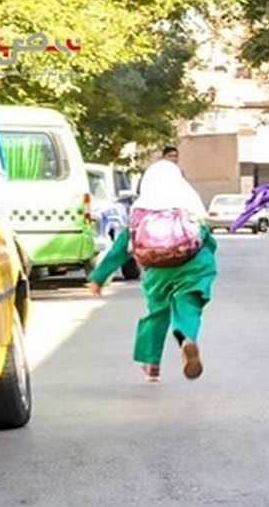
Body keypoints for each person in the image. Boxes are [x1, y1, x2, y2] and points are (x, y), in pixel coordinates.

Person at [88, 160, 218, 382]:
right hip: (192, 266)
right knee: (188, 306)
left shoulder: (141, 209)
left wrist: (99, 277)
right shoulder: (189, 204)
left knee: (156, 313)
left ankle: (151, 365)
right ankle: (186, 339)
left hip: (157, 270)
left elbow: (123, 246)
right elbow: (207, 241)